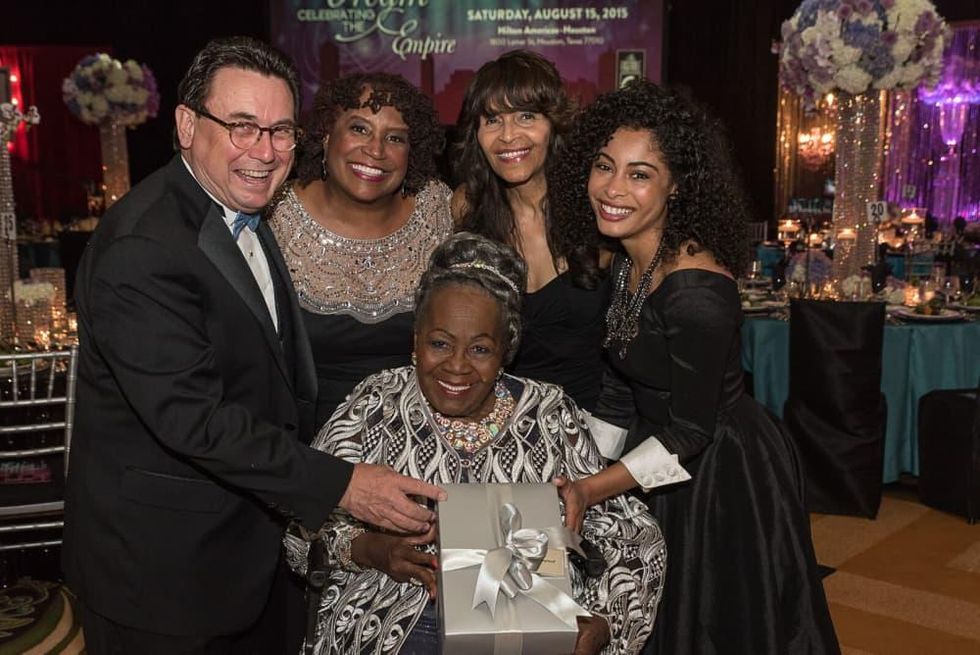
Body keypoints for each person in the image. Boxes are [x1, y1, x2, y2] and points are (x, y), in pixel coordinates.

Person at [63, 37, 445, 654]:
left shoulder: (241, 211)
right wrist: (344, 484)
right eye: (242, 128)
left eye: (280, 131)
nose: (265, 153)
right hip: (164, 575)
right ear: (187, 124)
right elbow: (194, 419)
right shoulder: (145, 247)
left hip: (248, 552)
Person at [551, 81, 840, 654]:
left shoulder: (696, 291)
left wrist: (591, 487)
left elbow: (691, 430)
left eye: (639, 175)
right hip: (656, 455)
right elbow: (617, 385)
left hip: (719, 468)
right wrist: (580, 464)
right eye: (605, 167)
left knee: (710, 617)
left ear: (676, 186)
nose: (612, 189)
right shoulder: (627, 261)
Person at [285, 233, 665, 655]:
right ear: (416, 341)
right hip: (392, 619)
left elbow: (631, 537)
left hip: (525, 626)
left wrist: (602, 620)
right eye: (440, 343)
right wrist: (369, 549)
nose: (457, 366)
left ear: (507, 350)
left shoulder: (548, 412)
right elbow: (302, 530)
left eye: (481, 348)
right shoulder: (378, 404)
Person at [270, 72, 451, 429]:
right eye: (359, 129)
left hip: (418, 435)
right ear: (325, 135)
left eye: (395, 138)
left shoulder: (441, 211)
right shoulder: (273, 216)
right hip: (303, 444)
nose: (376, 150)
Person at [452, 50, 608, 412]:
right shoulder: (466, 207)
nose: (508, 135)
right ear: (477, 133)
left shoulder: (597, 208)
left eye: (526, 116)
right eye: (492, 119)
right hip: (501, 422)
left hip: (595, 423)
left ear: (554, 124)